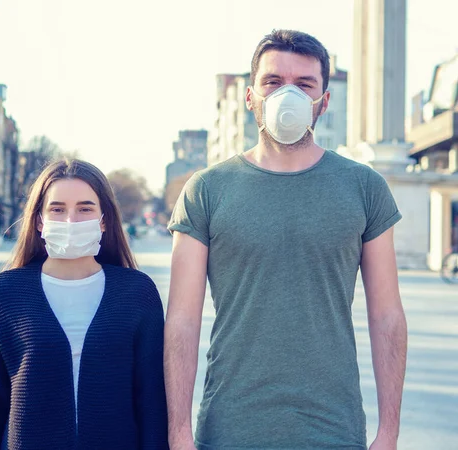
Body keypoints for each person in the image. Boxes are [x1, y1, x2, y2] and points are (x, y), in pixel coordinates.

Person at [165, 29, 407, 450]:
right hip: (229, 430)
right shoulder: (206, 189)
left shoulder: (364, 187)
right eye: (273, 82)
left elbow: (387, 317)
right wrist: (179, 433)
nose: (287, 95)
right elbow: (182, 322)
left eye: (304, 84)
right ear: (250, 96)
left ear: (323, 102)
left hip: (335, 430)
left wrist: (389, 433)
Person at [0, 159, 168, 449]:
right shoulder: (4, 294)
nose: (71, 221)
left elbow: (153, 406)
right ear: (39, 220)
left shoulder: (136, 293)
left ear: (104, 219)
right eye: (57, 209)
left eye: (85, 209)